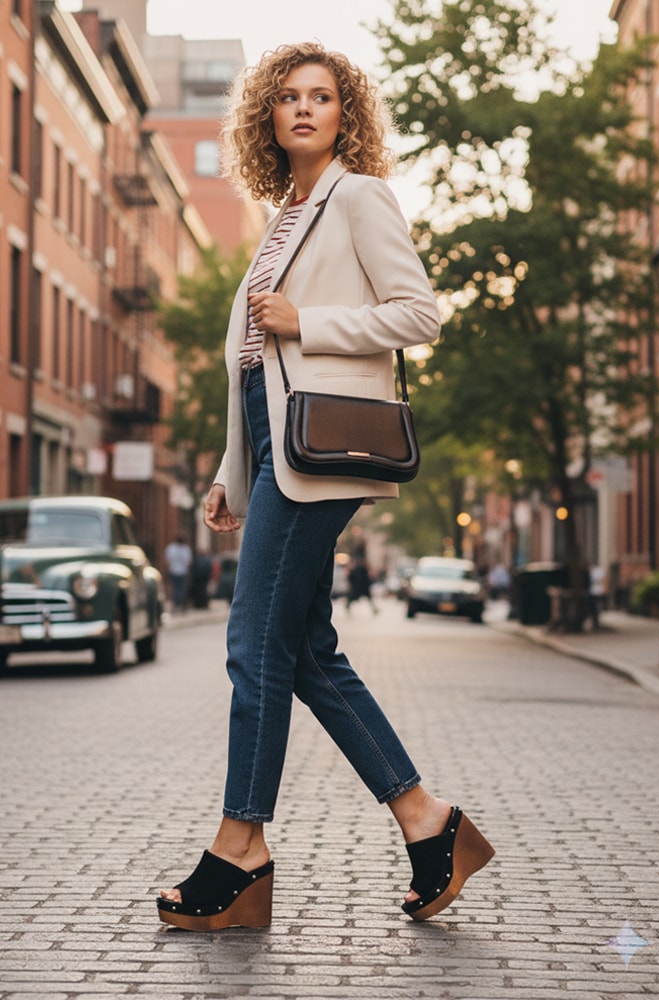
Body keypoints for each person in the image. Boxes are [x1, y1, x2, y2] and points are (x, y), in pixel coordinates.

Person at [157, 42, 494, 932]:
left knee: (251, 642)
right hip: (275, 446)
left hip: (324, 446)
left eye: (324, 97)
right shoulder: (281, 215)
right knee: (304, 651)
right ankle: (429, 825)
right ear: (266, 115)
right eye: (289, 98)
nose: (305, 109)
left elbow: (418, 311)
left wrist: (312, 320)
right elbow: (248, 365)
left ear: (347, 115)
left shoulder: (358, 196)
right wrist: (234, 473)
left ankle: (240, 846)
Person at [163, 533, 192, 613]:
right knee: (182, 589)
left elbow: (167, 560)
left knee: (175, 589)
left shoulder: (171, 548)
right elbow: (189, 561)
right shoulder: (186, 549)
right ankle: (180, 605)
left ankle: (175, 605)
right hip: (182, 572)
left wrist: (168, 569)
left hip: (174, 571)